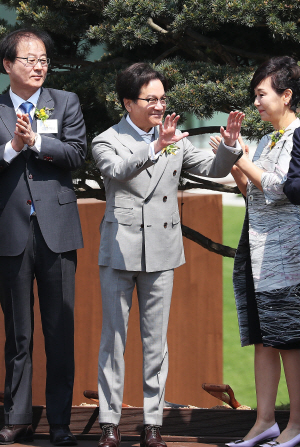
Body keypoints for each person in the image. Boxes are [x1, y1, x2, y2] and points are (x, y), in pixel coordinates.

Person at [91, 62, 244, 447]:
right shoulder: (106, 139)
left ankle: (153, 424)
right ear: (128, 102)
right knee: (113, 339)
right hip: (120, 250)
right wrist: (156, 145)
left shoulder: (175, 138)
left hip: (162, 250)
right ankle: (109, 423)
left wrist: (228, 146)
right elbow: (118, 170)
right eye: (151, 99)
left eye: (163, 98)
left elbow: (211, 168)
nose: (160, 106)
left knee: (156, 343)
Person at [0, 29, 87, 445]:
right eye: (29, 59)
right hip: (11, 232)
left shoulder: (63, 102)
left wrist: (36, 141)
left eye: (43, 60)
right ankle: (16, 417)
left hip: (57, 231)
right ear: (7, 65)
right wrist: (12, 147)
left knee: (59, 330)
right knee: (19, 332)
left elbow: (76, 154)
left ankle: (59, 422)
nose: (38, 66)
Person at [220, 56, 300, 447]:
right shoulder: (270, 139)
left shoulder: (298, 136)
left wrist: (243, 160)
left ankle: (296, 425)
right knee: (263, 339)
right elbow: (253, 193)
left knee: (288, 339)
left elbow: (280, 188)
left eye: (261, 94)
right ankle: (264, 421)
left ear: (286, 96)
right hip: (256, 253)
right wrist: (237, 160)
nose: (256, 102)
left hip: (287, 259)